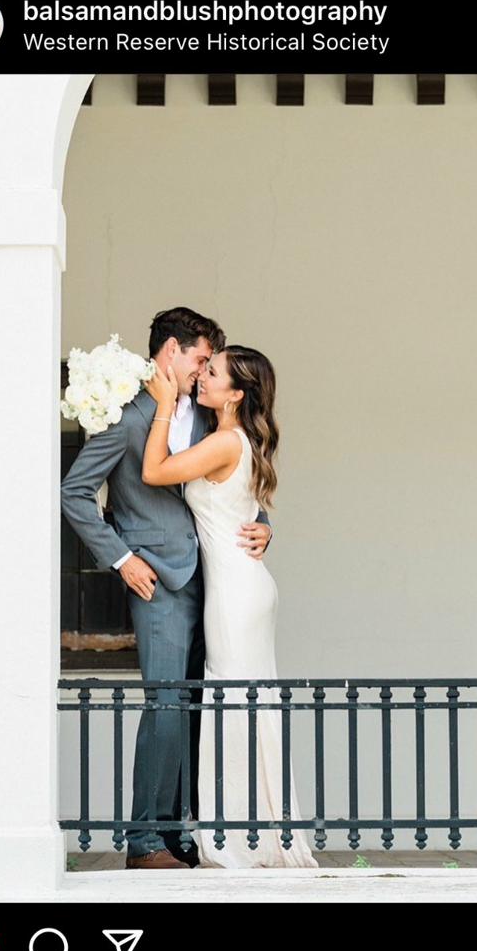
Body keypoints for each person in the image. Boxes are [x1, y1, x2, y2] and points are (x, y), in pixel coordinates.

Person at [60, 307, 272, 870]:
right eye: (200, 358)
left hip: (217, 581)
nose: (204, 371)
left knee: (199, 706)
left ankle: (185, 836)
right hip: (157, 580)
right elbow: (75, 492)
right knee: (167, 704)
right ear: (170, 352)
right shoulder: (127, 416)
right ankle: (146, 842)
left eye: (210, 364)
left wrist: (263, 527)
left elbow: (236, 477)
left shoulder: (207, 417)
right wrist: (122, 558)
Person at [143, 346, 317, 868]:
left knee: (233, 704)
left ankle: (237, 839)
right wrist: (266, 528)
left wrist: (163, 404)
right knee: (247, 705)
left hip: (236, 595)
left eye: (212, 373)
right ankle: (258, 834)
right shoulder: (236, 440)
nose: (202, 378)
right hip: (245, 586)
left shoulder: (223, 441)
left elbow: (155, 471)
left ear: (236, 394)